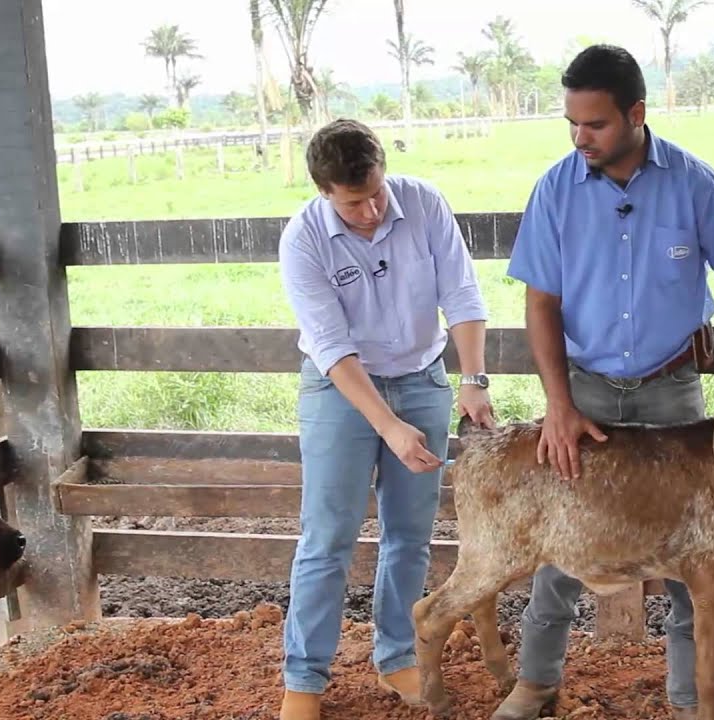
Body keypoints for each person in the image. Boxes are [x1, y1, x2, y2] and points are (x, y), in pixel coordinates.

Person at [497, 45, 714, 720]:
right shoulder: (555, 190)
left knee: (700, 561)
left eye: (594, 123)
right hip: (586, 394)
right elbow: (541, 303)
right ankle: (535, 685)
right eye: (571, 122)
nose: (579, 137)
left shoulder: (693, 183)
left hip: (674, 392)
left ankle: (690, 702)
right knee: (559, 545)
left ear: (636, 114)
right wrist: (557, 406)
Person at [276, 118, 497, 720]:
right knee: (328, 535)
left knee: (410, 533)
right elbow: (331, 346)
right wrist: (389, 427)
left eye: (377, 192)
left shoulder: (424, 203)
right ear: (324, 191)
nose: (372, 210)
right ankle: (304, 677)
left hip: (424, 378)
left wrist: (472, 380)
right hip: (340, 388)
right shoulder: (303, 240)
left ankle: (398, 655)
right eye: (354, 203)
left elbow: (463, 294)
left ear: (383, 168)